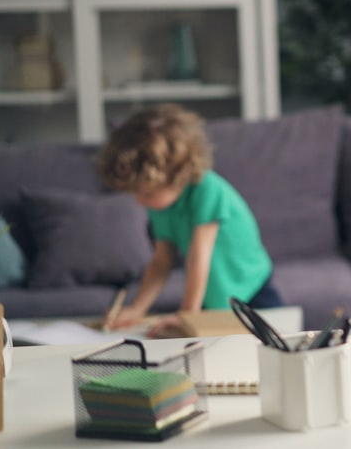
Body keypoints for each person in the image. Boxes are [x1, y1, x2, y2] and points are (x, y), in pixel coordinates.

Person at [96, 103, 282, 336]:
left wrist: (187, 316)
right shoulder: (161, 204)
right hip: (214, 297)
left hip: (251, 291)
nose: (139, 202)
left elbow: (197, 258)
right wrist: (136, 309)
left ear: (178, 174)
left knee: (273, 348)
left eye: (147, 194)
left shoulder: (208, 190)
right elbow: (162, 261)